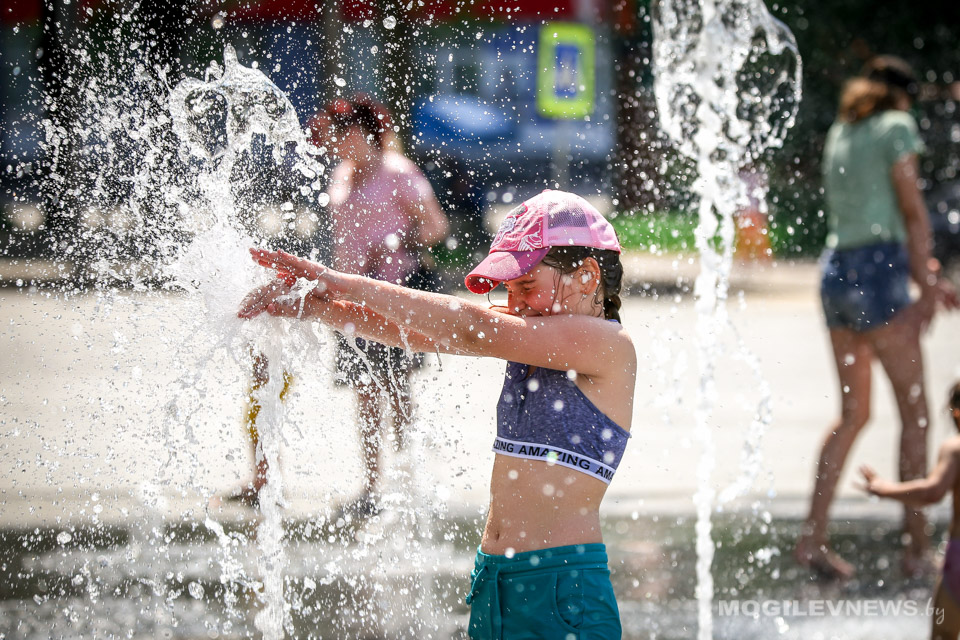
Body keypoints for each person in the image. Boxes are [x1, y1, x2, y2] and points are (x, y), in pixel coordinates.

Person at [237, 189, 635, 638]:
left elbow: (472, 329)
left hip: (562, 588)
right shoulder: (537, 334)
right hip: (496, 582)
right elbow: (413, 331)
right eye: (510, 289)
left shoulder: (608, 345)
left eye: (527, 285)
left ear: (586, 276)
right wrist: (317, 307)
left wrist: (342, 282)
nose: (517, 301)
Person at [795, 55, 960, 579]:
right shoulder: (896, 126)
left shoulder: (844, 129)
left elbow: (866, 216)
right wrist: (928, 287)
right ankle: (916, 552)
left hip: (837, 272)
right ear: (902, 96)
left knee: (852, 414)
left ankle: (812, 540)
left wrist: (926, 274)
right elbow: (911, 210)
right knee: (915, 414)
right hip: (880, 272)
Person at [325, 96, 450, 517]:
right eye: (336, 132)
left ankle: (407, 479)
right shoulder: (343, 175)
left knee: (396, 390)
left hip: (394, 298)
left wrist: (394, 243)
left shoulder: (398, 173)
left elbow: (435, 227)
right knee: (363, 391)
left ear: (370, 134)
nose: (339, 141)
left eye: (347, 132)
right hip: (352, 304)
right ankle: (373, 488)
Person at [859, 381, 960, 640]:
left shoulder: (956, 448)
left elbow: (932, 492)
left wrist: (885, 488)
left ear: (956, 411)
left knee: (944, 634)